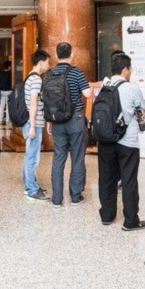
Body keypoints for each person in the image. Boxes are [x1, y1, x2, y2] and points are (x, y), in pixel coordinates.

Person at [97, 52, 145, 231]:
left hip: (105, 140)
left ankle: (107, 216)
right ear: (125, 69)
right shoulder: (132, 88)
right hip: (128, 142)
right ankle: (130, 220)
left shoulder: (103, 87)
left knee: (106, 178)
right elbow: (141, 110)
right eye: (130, 69)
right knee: (129, 180)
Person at [49, 42, 92, 208]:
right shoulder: (76, 72)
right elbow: (87, 94)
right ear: (71, 54)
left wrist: (49, 121)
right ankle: (75, 196)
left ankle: (57, 199)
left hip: (57, 121)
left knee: (58, 158)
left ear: (56, 54)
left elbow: (48, 100)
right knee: (78, 157)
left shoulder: (50, 73)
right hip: (75, 120)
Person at [22, 49, 51, 201]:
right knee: (32, 157)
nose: (48, 65)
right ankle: (31, 189)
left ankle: (30, 184)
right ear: (40, 62)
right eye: (47, 62)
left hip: (29, 121)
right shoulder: (37, 79)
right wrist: (33, 126)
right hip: (33, 122)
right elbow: (33, 103)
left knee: (30, 155)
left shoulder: (29, 76)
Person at [0, 61, 13, 126]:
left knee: (2, 105)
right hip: (9, 91)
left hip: (2, 91)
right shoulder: (10, 74)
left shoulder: (1, 73)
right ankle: (7, 120)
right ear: (9, 67)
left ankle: (0, 119)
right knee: (8, 106)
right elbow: (10, 83)